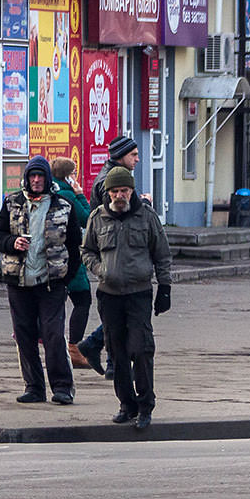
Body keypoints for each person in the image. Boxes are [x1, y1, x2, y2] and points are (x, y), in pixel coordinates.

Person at [81, 165, 173, 430]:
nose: (119, 196)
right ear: (108, 193)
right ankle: (126, 404)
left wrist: (165, 288)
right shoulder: (98, 217)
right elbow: (87, 251)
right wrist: (101, 270)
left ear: (131, 191)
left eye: (124, 190)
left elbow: (162, 254)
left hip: (139, 293)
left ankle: (146, 406)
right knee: (117, 352)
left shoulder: (146, 217)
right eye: (115, 191)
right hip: (109, 295)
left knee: (141, 350)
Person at [0, 155, 83, 405]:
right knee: (24, 336)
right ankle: (34, 386)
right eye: (32, 176)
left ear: (47, 178)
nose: (37, 180)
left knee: (53, 335)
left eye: (41, 176)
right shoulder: (12, 203)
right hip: (18, 283)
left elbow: (75, 245)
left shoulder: (63, 205)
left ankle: (62, 387)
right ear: (26, 178)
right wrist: (12, 242)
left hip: (51, 282)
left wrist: (66, 277)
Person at [78, 135, 149, 372]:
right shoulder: (111, 181)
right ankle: (95, 346)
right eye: (134, 155)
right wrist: (145, 205)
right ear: (121, 156)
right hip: (112, 254)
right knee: (120, 313)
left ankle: (110, 361)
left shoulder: (117, 176)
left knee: (119, 312)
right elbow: (122, 214)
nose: (138, 159)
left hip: (117, 253)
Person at [51, 156, 102, 374]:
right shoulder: (69, 195)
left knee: (56, 303)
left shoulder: (52, 191)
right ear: (69, 176)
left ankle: (62, 348)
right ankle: (74, 348)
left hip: (53, 258)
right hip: (71, 257)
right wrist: (81, 195)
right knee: (82, 300)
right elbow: (88, 219)